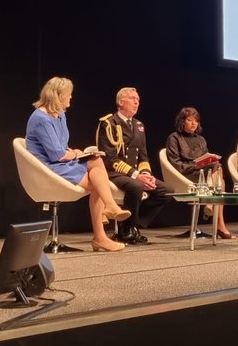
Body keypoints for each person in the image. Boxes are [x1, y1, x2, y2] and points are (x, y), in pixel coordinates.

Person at [25, 76, 130, 252]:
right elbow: (56, 154)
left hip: (62, 161)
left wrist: (77, 153)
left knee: (95, 160)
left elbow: (61, 145)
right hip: (49, 168)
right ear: (57, 96)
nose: (71, 98)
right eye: (68, 94)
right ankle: (103, 226)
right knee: (98, 182)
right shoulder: (41, 118)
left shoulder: (60, 115)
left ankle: (107, 213)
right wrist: (75, 153)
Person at [95, 87, 170, 245]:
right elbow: (110, 158)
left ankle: (131, 224)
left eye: (138, 99)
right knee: (136, 186)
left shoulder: (139, 125)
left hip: (135, 173)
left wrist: (146, 174)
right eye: (132, 98)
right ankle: (127, 230)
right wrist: (137, 175)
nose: (137, 102)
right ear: (121, 102)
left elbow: (143, 155)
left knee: (166, 191)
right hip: (112, 172)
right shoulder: (108, 123)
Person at [165, 107, 235, 239]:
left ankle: (211, 205)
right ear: (182, 122)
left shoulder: (201, 139)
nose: (193, 123)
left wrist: (207, 161)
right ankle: (220, 225)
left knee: (218, 169)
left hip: (204, 174)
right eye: (189, 120)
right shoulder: (174, 138)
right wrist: (196, 165)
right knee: (219, 177)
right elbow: (175, 163)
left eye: (196, 121)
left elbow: (206, 159)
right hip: (184, 175)